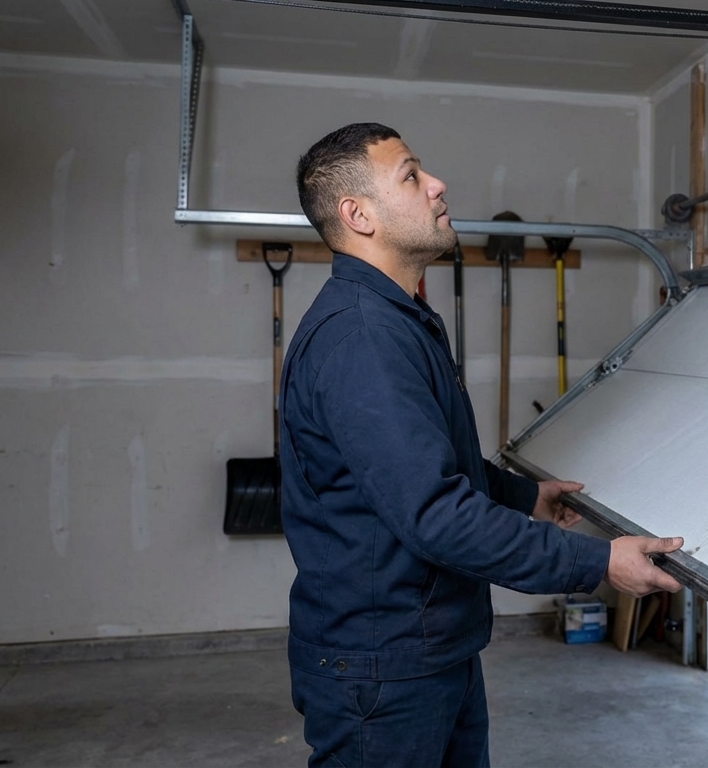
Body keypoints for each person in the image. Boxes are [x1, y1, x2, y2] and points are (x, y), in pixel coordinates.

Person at [279, 122, 684, 768]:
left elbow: (431, 468)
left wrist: (525, 495)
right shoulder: (363, 340)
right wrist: (597, 564)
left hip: (431, 648)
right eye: (410, 175)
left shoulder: (399, 320)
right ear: (359, 216)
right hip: (384, 672)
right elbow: (436, 515)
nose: (437, 184)